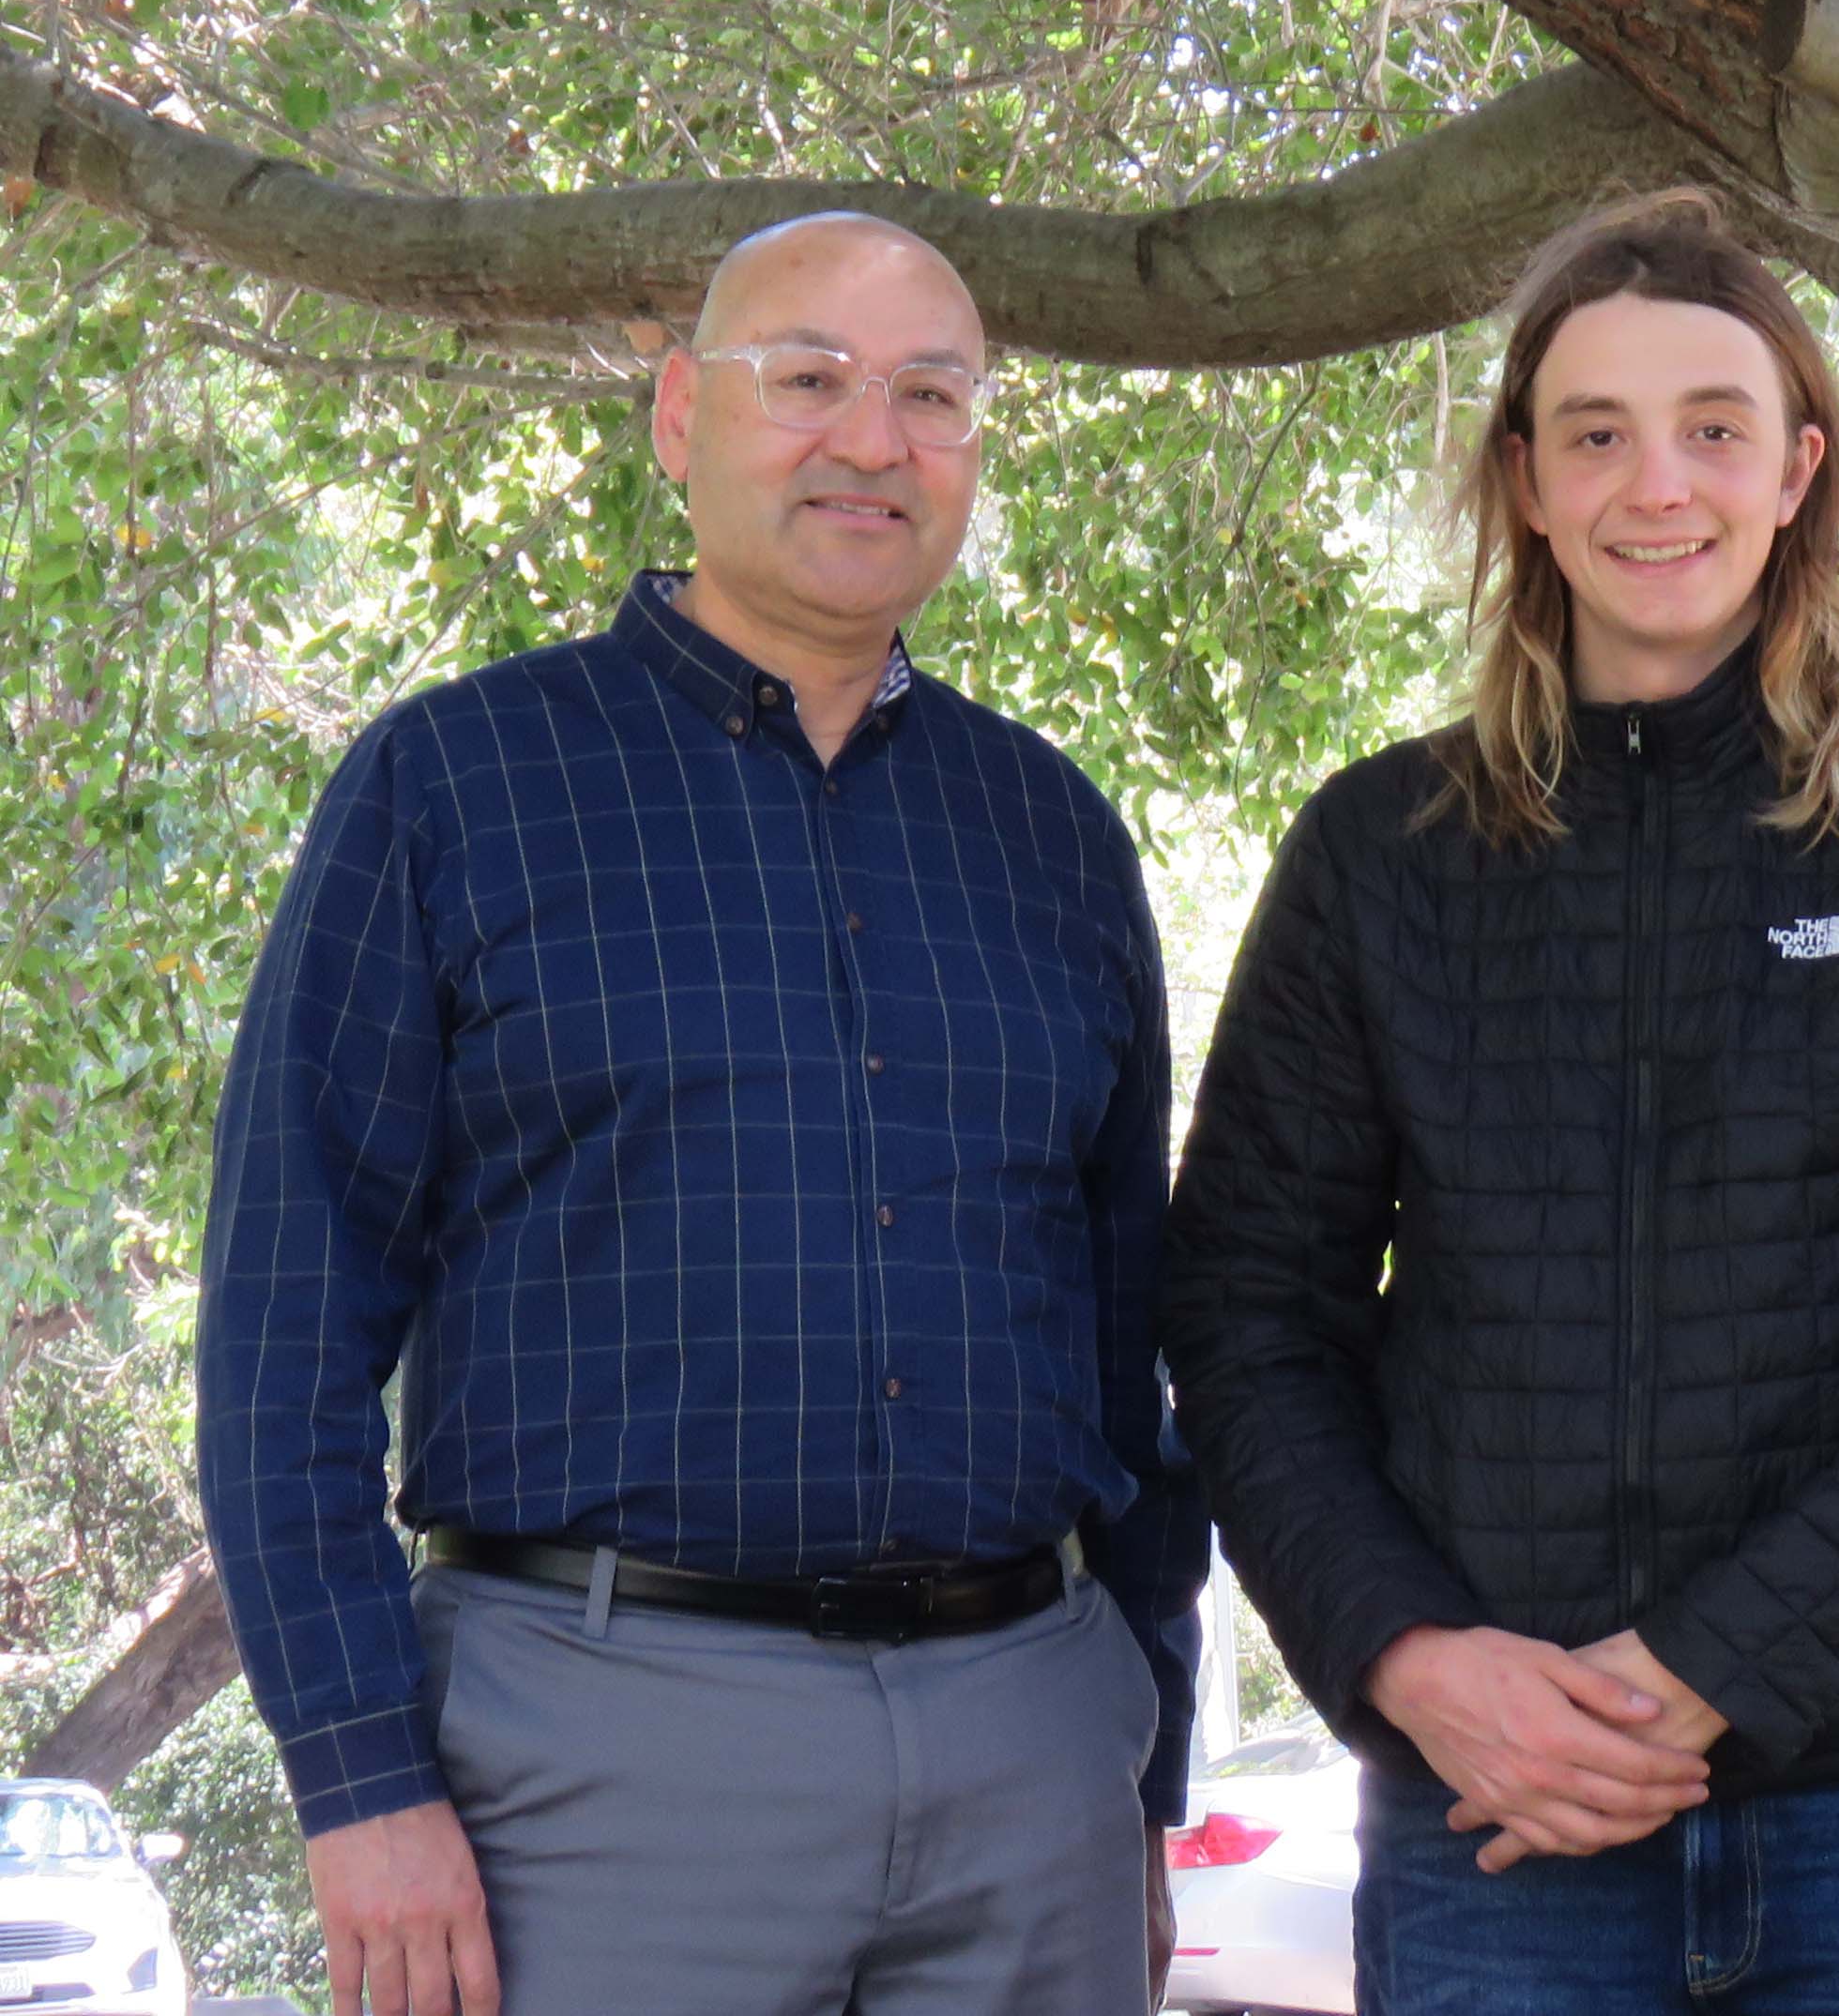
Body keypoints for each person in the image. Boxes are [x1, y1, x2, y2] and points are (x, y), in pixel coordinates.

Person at [198, 211, 1207, 2016]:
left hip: (1031, 1754)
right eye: (806, 379)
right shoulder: (455, 787)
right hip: (598, 1760)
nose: (871, 440)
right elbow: (285, 1334)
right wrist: (360, 1779)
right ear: (680, 419)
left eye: (931, 394)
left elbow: (1137, 1346)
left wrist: (1146, 1769)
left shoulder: (1052, 834)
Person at [1162, 190, 1839, 2013]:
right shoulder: (1382, 853)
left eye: (1714, 426)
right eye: (1596, 435)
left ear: (1799, 467)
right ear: (1525, 484)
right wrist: (1412, 1659)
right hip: (1496, 1819)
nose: (1657, 484)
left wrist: (1694, 1670)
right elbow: (1245, 1308)